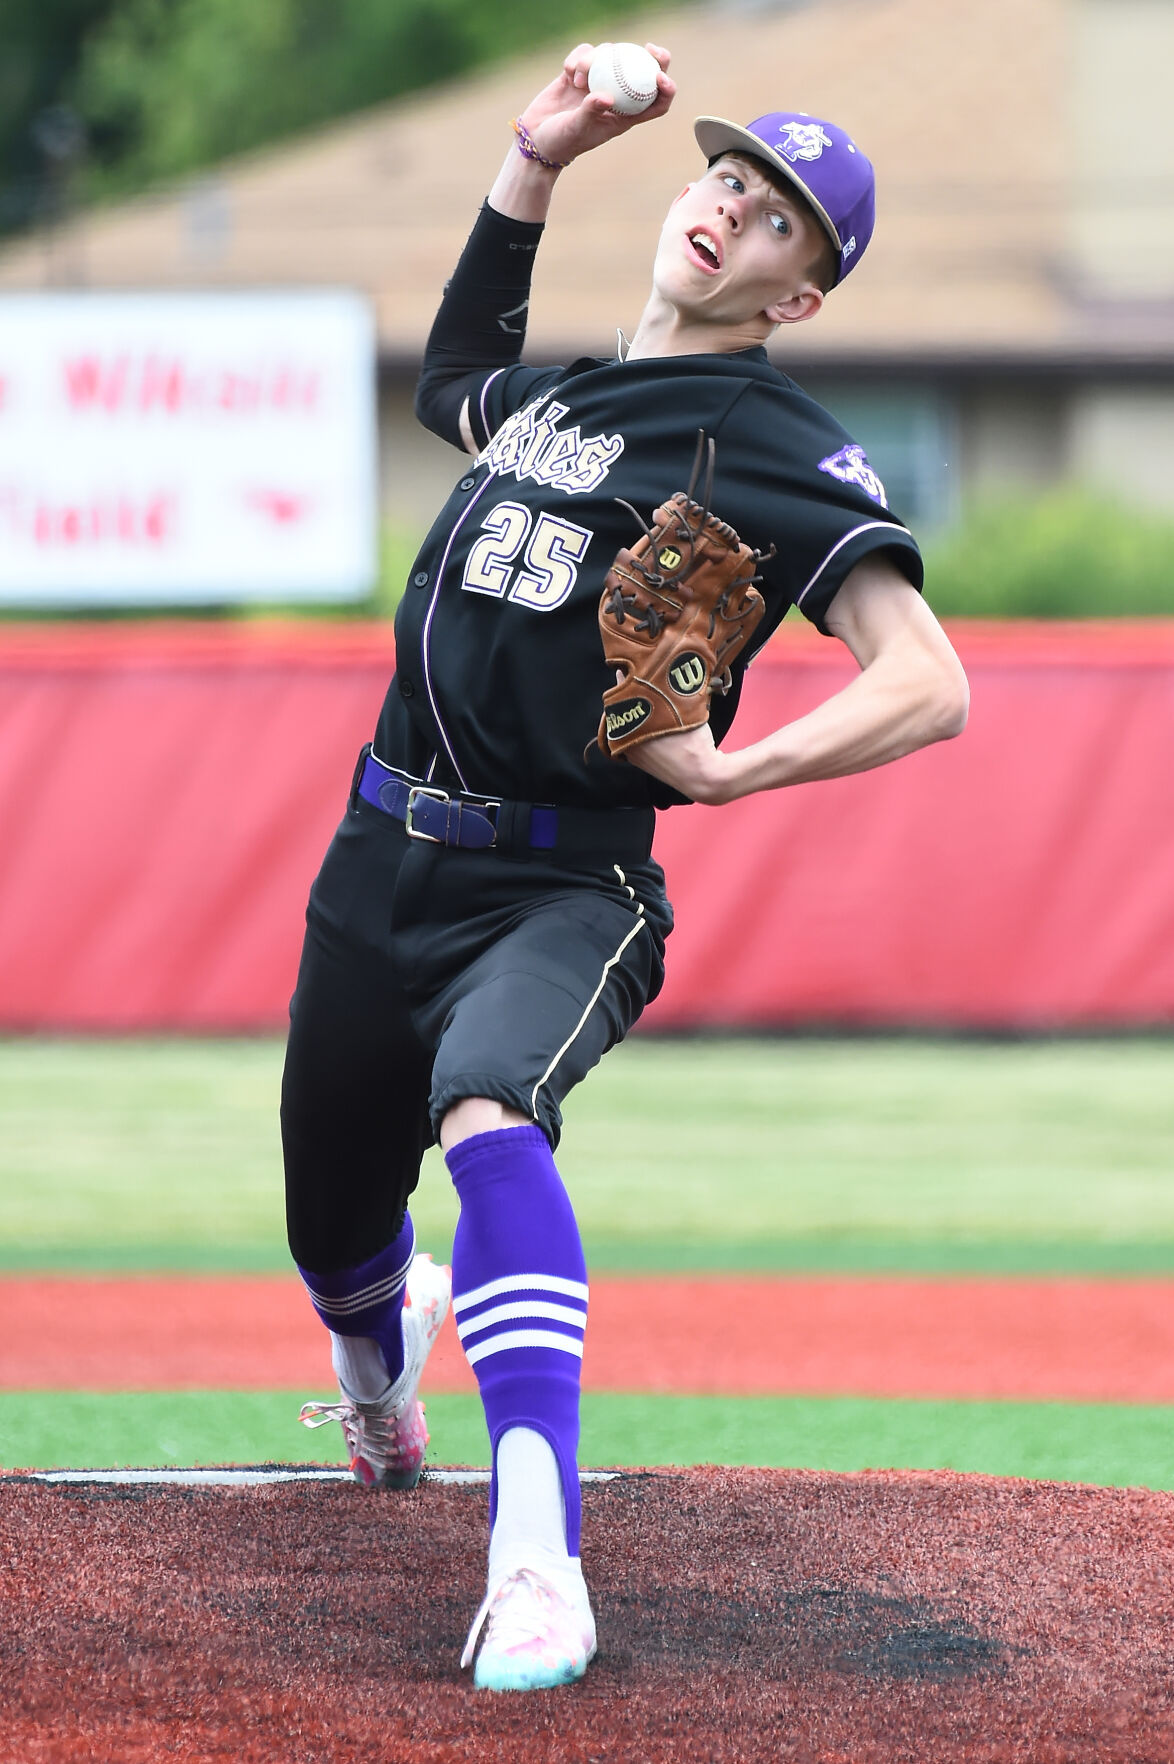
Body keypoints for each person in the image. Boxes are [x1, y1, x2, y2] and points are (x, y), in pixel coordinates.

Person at [284, 40, 969, 1694]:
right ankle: (381, 1378)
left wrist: (735, 768)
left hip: (561, 885)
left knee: (489, 1112)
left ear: (799, 294)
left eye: (783, 214)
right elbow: (457, 363)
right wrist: (535, 155)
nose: (735, 205)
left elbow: (925, 677)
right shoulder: (563, 405)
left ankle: (538, 1559)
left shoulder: (767, 435)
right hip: (379, 857)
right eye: (729, 176)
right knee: (332, 1239)